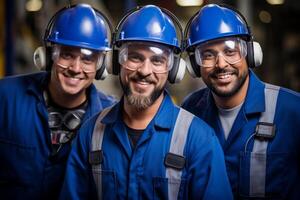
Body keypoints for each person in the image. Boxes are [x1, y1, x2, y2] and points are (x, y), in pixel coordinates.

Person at [59, 5, 233, 200]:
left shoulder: (199, 139)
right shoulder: (90, 134)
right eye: (134, 57)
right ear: (116, 63)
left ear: (174, 70)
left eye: (157, 60)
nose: (144, 71)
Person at [182, 3, 300, 199]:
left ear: (251, 53)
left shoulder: (292, 111)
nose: (221, 64)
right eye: (208, 55)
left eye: (230, 51)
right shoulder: (190, 111)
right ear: (195, 65)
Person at [0, 4, 116, 199]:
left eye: (87, 59)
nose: (75, 68)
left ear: (101, 66)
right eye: (67, 54)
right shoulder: (5, 98)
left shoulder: (112, 117)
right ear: (48, 56)